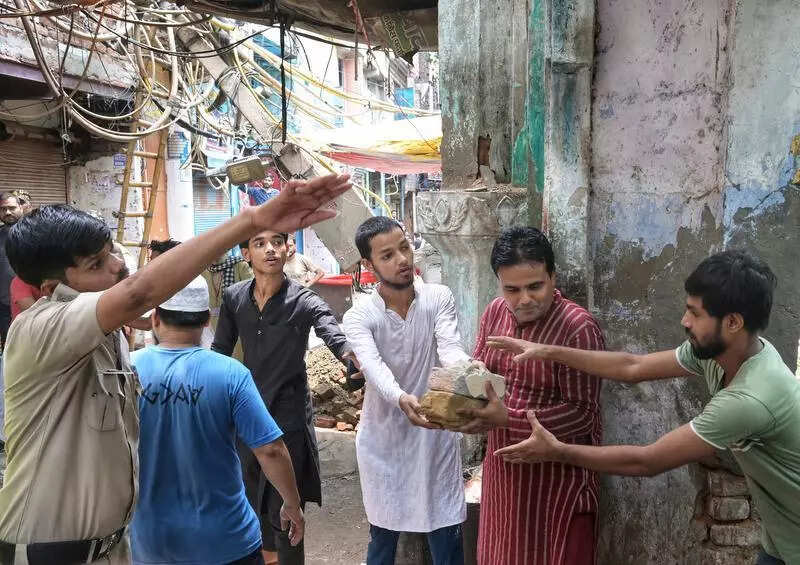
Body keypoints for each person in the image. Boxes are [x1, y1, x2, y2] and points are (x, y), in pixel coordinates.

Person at [0, 173, 352, 564]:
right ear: (52, 289)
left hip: (116, 546)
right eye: (98, 263)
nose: (118, 265)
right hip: (52, 551)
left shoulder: (119, 343)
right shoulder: (41, 328)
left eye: (112, 250)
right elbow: (139, 294)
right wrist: (250, 219)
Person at [486, 250, 800, 565]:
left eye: (695, 313)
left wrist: (558, 451)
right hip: (778, 540)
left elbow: (647, 461)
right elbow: (633, 367)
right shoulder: (727, 352)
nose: (684, 321)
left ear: (732, 322)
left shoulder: (748, 399)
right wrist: (549, 351)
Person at [456, 227, 605, 565]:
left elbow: (582, 413)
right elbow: (479, 374)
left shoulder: (577, 328)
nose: (524, 299)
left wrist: (508, 418)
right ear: (499, 284)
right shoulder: (495, 312)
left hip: (558, 485)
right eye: (512, 289)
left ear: (552, 277)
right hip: (504, 480)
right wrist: (462, 409)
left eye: (535, 286)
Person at [130, 277, 304, 565]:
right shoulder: (230, 373)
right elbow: (270, 449)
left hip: (151, 544)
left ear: (156, 319)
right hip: (227, 542)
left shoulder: (128, 371)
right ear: (205, 322)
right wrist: (293, 504)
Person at [212, 229, 356, 565]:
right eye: (259, 244)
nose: (270, 249)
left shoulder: (302, 299)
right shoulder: (234, 298)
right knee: (249, 509)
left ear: (287, 247)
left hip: (288, 416)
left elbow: (330, 328)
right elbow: (219, 350)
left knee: (286, 513)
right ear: (246, 254)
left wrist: (349, 355)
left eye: (277, 242)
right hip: (246, 412)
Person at [342, 216, 468, 565]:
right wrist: (400, 397)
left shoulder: (437, 297)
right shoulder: (359, 315)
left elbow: (451, 348)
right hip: (384, 440)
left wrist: (470, 374)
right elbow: (372, 366)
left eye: (404, 247)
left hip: (433, 433)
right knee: (383, 536)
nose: (402, 259)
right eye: (387, 255)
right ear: (368, 265)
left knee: (446, 529)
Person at [204, 249, 253, 354]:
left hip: (235, 322)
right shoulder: (204, 270)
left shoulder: (239, 265)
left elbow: (252, 293)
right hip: (209, 325)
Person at [0, 192, 24, 346]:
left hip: (32, 304)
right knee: (9, 345)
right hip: (4, 306)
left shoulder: (35, 232)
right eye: (3, 209)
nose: (7, 212)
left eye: (12, 208)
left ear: (21, 208)